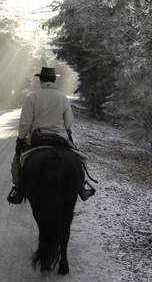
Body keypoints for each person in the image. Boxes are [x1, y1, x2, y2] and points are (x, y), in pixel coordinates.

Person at [7, 67, 94, 204]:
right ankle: (82, 187)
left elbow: (25, 123)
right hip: (59, 137)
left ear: (41, 80)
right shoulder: (63, 98)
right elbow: (68, 123)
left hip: (37, 137)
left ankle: (18, 190)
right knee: (78, 159)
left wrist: (21, 138)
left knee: (16, 163)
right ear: (54, 80)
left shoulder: (32, 97)